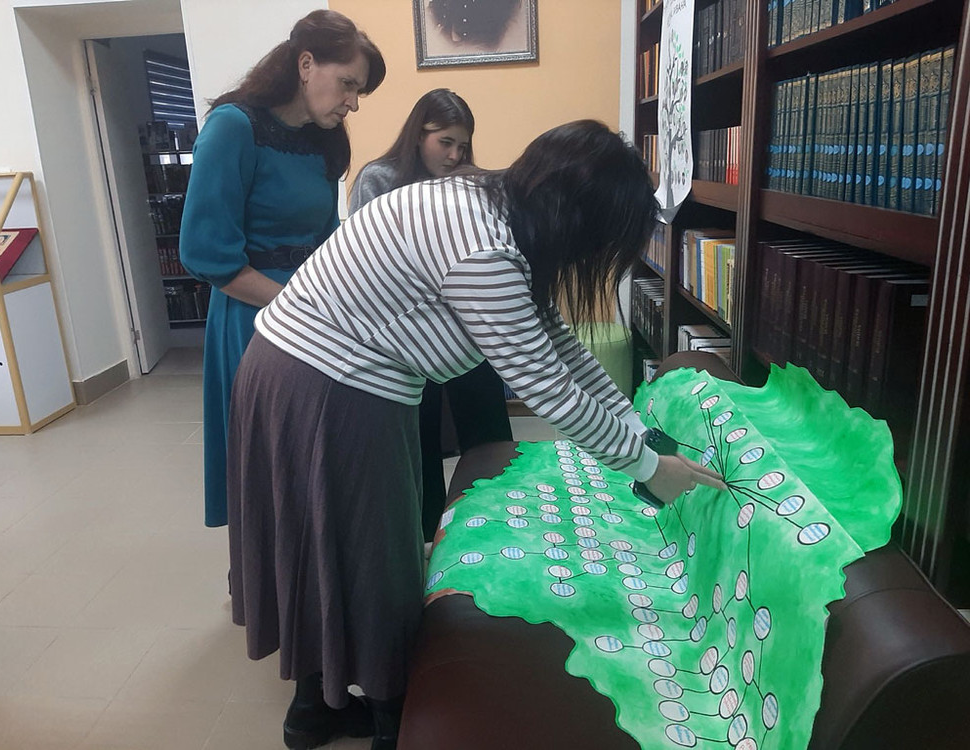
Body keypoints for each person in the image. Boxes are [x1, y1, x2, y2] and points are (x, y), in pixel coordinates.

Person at [227, 120, 726, 750]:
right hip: (327, 384)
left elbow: (561, 349)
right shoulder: (485, 250)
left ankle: (314, 710)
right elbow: (546, 387)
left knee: (332, 541)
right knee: (373, 557)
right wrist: (649, 470)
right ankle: (392, 722)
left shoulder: (494, 207)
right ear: (576, 220)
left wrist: (640, 432)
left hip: (315, 372)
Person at [179, 10, 385, 535]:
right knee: (272, 465)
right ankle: (274, 576)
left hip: (314, 310)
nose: (353, 103)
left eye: (359, 92)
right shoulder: (233, 128)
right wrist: (300, 306)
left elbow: (328, 237)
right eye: (348, 84)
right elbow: (208, 256)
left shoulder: (322, 139)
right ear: (306, 64)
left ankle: (322, 569)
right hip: (255, 316)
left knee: (319, 454)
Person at [349, 89, 512, 541]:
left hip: (461, 327)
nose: (455, 155)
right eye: (445, 142)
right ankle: (426, 539)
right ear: (418, 135)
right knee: (418, 444)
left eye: (463, 146)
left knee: (489, 429)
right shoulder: (378, 179)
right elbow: (367, 263)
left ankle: (495, 522)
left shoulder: (467, 185)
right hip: (406, 335)